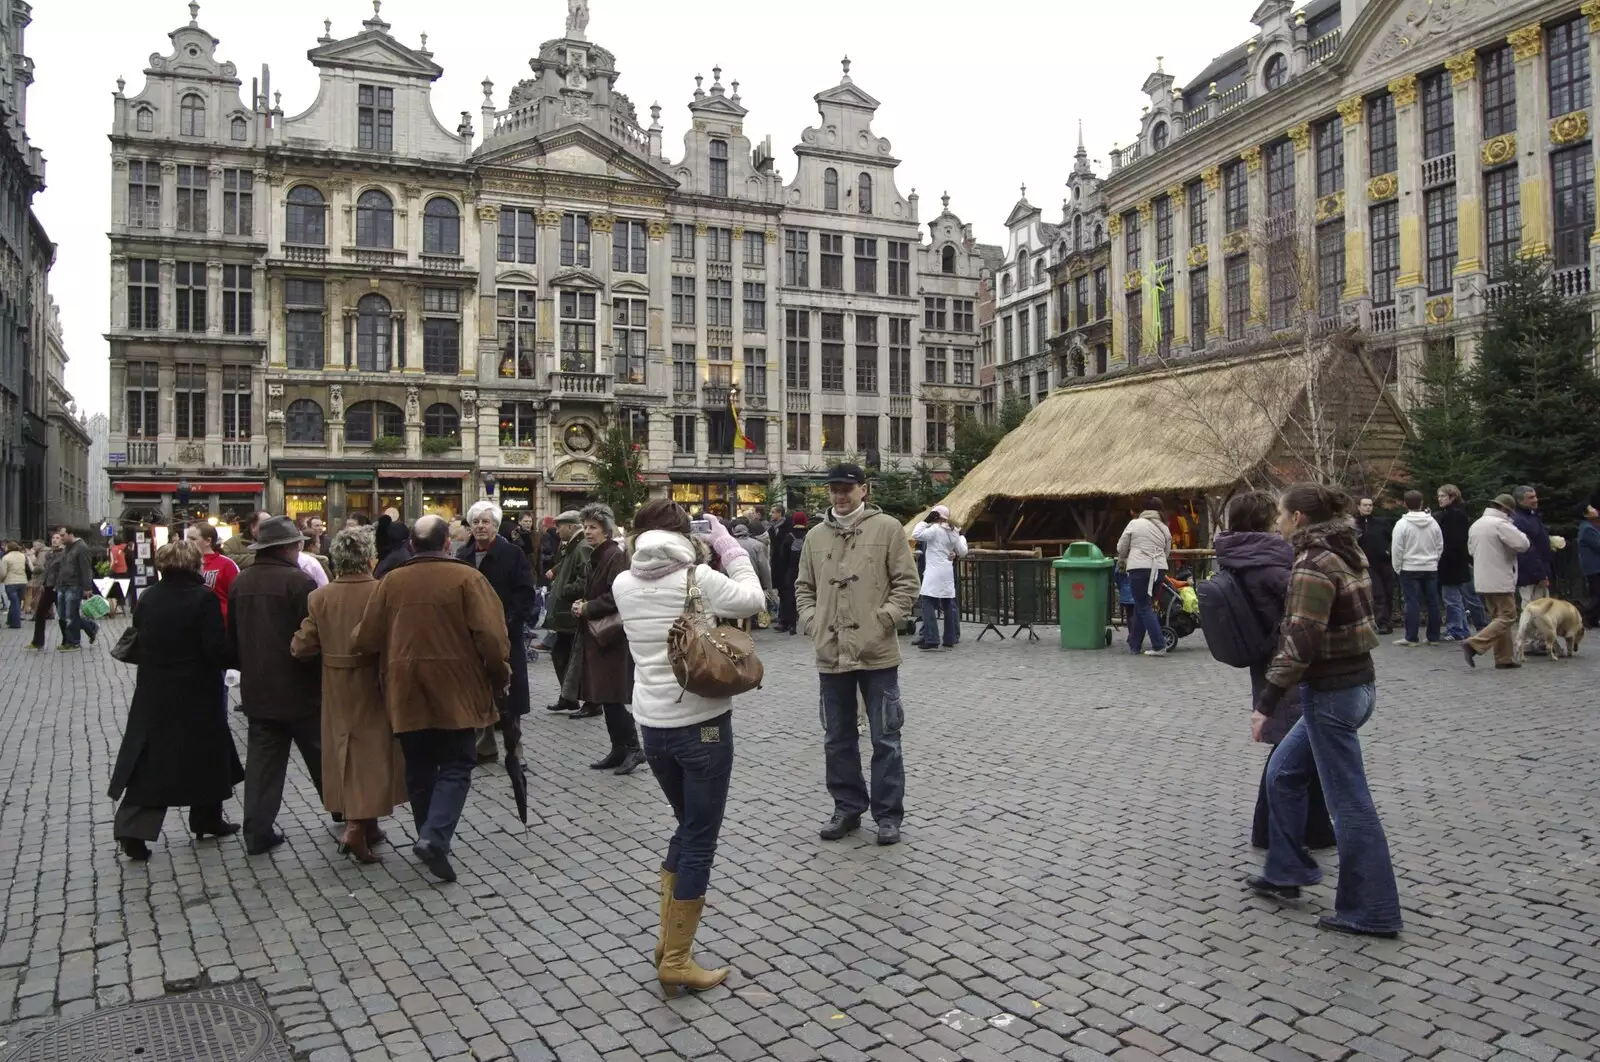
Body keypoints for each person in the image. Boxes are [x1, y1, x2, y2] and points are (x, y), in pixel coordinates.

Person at [612, 501, 765, 995]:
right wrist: (726, 545)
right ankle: (677, 957)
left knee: (687, 826)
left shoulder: (622, 582)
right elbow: (752, 598)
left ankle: (667, 942)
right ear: (685, 535)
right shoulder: (697, 577)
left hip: (652, 727)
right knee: (700, 836)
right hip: (702, 725)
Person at [1247, 484, 1401, 939]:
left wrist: (1267, 702)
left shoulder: (1313, 564)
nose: (1276, 522)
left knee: (1350, 805)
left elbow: (1301, 638)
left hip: (1333, 694)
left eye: (1280, 514)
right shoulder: (1344, 551)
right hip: (1355, 686)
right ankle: (1285, 870)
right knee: (1283, 773)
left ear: (1297, 517)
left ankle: (1373, 910)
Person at [352, 515, 511, 883]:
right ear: (446, 545)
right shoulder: (468, 578)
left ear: (412, 545)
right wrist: (500, 675)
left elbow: (365, 638)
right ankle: (434, 837)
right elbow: (491, 636)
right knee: (457, 762)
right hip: (456, 685)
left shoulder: (391, 581)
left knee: (419, 766)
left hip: (405, 686)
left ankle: (429, 835)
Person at [796, 463, 920, 846]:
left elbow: (907, 584)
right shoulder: (815, 536)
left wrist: (883, 620)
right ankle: (847, 807)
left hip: (877, 652)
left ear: (864, 489)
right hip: (830, 653)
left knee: (886, 738)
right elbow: (804, 588)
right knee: (837, 737)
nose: (840, 494)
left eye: (847, 488)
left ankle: (887, 815)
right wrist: (814, 621)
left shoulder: (888, 529)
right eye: (834, 488)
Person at [107, 539, 244, 861]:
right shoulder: (203, 599)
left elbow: (140, 632)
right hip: (197, 691)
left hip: (155, 689)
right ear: (195, 565)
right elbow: (214, 649)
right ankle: (206, 817)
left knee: (151, 761)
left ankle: (135, 830)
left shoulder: (149, 597)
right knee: (206, 755)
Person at [1213, 491, 1334, 851]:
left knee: (1298, 744)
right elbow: (1300, 610)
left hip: (1266, 658)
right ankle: (1271, 832)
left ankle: (1313, 828)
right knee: (1293, 747)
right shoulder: (1272, 561)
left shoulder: (1239, 556)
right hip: (1287, 660)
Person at [291, 527, 406, 864]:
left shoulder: (320, 597)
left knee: (347, 752)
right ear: (369, 558)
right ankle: (357, 827)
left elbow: (302, 646)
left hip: (337, 685)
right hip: (375, 681)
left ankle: (365, 824)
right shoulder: (381, 591)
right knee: (374, 754)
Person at [227, 515, 324, 855]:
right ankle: (349, 814)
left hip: (258, 688)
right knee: (322, 755)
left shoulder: (241, 582)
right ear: (288, 548)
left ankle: (257, 831)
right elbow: (313, 638)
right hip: (300, 687)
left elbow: (233, 638)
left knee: (262, 766)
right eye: (298, 545)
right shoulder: (299, 583)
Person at [457, 500, 537, 765]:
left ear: (496, 525)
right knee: (479, 691)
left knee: (509, 694)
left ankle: (515, 749)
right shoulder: (463, 556)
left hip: (505, 635)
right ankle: (484, 747)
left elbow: (525, 593)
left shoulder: (512, 554)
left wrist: (508, 621)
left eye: (486, 521)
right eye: (476, 521)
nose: (480, 526)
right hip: (472, 637)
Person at [573, 503, 642, 774]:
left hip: (611, 636)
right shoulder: (599, 554)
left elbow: (617, 595)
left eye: (593, 527)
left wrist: (588, 607)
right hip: (600, 636)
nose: (588, 532)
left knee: (613, 695)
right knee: (606, 696)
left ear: (606, 530)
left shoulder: (613, 555)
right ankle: (618, 748)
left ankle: (634, 749)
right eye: (586, 527)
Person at [1464, 494, 1532, 669]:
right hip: (1500, 578)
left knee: (1498, 617)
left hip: (1483, 578)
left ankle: (1504, 658)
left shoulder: (1476, 525)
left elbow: (1471, 551)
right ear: (1504, 510)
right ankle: (1475, 643)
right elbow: (1523, 544)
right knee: (1508, 616)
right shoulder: (1500, 524)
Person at [545, 511, 593, 715]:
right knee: (563, 654)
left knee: (572, 657)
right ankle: (569, 697)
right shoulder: (572, 547)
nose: (557, 530)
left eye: (560, 526)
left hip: (571, 613)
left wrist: (563, 589)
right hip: (566, 613)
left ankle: (586, 700)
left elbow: (585, 579)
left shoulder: (581, 547)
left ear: (572, 527)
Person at [1116, 498, 1174, 657]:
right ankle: (1135, 645)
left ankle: (1159, 644)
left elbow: (1121, 547)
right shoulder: (1164, 528)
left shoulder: (1135, 523)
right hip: (1159, 569)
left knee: (1143, 606)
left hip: (1139, 567)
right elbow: (1166, 552)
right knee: (1144, 606)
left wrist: (1123, 559)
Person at [1390, 490, 1444, 647]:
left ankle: (1411, 637)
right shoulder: (1433, 522)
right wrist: (1434, 560)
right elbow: (1439, 544)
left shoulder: (1402, 524)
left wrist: (1398, 567)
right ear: (1421, 503)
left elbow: (1397, 548)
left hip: (1409, 567)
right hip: (1430, 566)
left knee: (1411, 602)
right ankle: (1433, 637)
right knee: (1433, 602)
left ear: (1405, 504)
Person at [911, 505, 968, 650]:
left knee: (928, 604)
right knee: (948, 605)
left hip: (933, 571)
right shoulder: (953, 531)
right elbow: (962, 551)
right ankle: (950, 638)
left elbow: (917, 534)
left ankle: (932, 638)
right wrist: (961, 538)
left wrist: (925, 521)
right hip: (947, 571)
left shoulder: (935, 530)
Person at [1435, 484, 1486, 641]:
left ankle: (1457, 629)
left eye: (1443, 496)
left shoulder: (1453, 516)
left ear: (1452, 497)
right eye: (1439, 496)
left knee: (1452, 598)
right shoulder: (1454, 513)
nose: (1440, 499)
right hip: (1457, 562)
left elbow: (1453, 541)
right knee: (1463, 596)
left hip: (1451, 563)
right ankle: (1466, 626)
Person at [1511, 485, 1554, 628]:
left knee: (1542, 607)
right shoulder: (1519, 520)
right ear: (1519, 500)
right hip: (1529, 573)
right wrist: (1541, 575)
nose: (1536, 500)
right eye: (1531, 498)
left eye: (1535, 496)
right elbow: (1527, 551)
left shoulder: (1532, 515)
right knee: (1532, 608)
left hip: (1538, 569)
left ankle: (1540, 640)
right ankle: (1530, 641)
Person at [53, 527, 100, 651]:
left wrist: (87, 587)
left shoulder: (81, 547)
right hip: (62, 585)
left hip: (74, 585)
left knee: (71, 615)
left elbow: (86, 568)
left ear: (70, 534)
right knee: (63, 615)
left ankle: (74, 642)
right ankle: (90, 627)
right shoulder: (66, 548)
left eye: (62, 536)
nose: (60, 538)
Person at [1354, 498, 1396, 635]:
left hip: (1384, 561)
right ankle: (1381, 622)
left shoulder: (1381, 522)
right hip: (1368, 563)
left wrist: (1388, 552)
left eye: (1370, 505)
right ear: (1359, 507)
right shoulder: (1355, 524)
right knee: (1378, 594)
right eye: (1365, 505)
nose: (1368, 508)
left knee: (1388, 592)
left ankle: (1387, 620)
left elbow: (1391, 538)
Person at [184, 523, 239, 624]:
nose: (188, 542)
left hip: (220, 623)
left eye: (193, 539)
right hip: (190, 622)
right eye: (187, 538)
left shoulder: (227, 564)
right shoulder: (183, 563)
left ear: (208, 541)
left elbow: (237, 597)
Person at [26, 532, 62, 650]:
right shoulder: (49, 553)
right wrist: (42, 582)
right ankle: (37, 641)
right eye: (53, 538)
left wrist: (58, 585)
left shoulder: (64, 554)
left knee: (65, 615)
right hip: (47, 587)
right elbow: (46, 570)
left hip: (58, 587)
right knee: (40, 613)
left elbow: (62, 572)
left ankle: (89, 627)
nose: (55, 540)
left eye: (57, 538)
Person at [773, 512, 808, 634]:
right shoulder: (809, 535)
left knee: (790, 598)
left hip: (791, 571)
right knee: (808, 597)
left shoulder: (789, 536)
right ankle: (808, 624)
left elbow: (783, 557)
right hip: (806, 571)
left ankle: (791, 625)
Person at [1581, 504, 1600, 629]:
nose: (1595, 509)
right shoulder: (1587, 529)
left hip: (1595, 567)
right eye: (1591, 509)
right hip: (1594, 567)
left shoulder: (1592, 527)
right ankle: (1586, 617)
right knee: (1597, 594)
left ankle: (1593, 619)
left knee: (1596, 593)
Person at [2, 541, 27, 629]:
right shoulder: (22, 556)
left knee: (14, 602)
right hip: (22, 581)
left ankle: (16, 623)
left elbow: (3, 572)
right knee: (17, 602)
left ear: (8, 548)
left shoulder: (6, 558)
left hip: (11, 582)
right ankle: (10, 620)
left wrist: (1, 580)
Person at [24, 538, 45, 619]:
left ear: (41, 545)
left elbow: (37, 567)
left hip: (38, 579)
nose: (33, 548)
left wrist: (30, 556)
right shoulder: (40, 553)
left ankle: (37, 614)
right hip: (40, 578)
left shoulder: (41, 553)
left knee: (36, 597)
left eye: (35, 546)